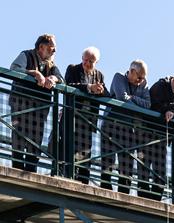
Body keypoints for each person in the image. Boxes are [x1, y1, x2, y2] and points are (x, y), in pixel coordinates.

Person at [9, 34, 63, 173]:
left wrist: (53, 78)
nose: (54, 51)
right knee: (19, 137)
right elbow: (14, 69)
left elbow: (61, 79)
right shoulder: (26, 55)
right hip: (21, 104)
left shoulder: (51, 65)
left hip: (40, 109)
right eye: (52, 48)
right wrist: (34, 73)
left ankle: (31, 171)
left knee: (36, 140)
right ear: (41, 47)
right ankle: (17, 170)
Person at [100, 60, 149, 195]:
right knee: (107, 162)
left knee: (126, 165)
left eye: (143, 78)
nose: (141, 80)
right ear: (132, 71)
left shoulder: (143, 84)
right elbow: (122, 98)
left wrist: (132, 98)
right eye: (139, 77)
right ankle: (105, 193)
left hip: (128, 129)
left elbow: (147, 104)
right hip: (110, 125)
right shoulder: (118, 77)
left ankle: (124, 195)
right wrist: (136, 106)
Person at [141, 69, 174, 200]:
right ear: (173, 79)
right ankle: (143, 196)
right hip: (148, 132)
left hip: (164, 136)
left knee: (161, 168)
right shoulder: (160, 86)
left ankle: (157, 197)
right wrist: (170, 109)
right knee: (144, 165)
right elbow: (153, 105)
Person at [63, 47, 106, 184]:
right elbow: (69, 84)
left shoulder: (99, 75)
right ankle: (69, 179)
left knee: (86, 152)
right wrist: (89, 87)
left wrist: (100, 90)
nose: (87, 63)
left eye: (91, 61)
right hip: (73, 116)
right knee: (69, 149)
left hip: (89, 120)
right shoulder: (73, 69)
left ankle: (84, 182)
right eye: (85, 60)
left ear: (96, 62)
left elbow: (107, 94)